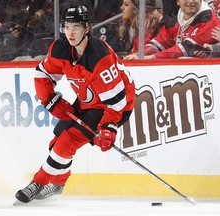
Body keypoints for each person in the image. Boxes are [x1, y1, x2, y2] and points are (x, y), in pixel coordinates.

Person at [15, 4, 135, 203]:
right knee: (57, 141)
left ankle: (38, 183)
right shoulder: (61, 49)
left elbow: (117, 101)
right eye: (67, 27)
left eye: (76, 27)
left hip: (114, 105)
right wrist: (51, 100)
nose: (70, 33)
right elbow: (42, 74)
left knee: (68, 141)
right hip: (88, 101)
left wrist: (109, 127)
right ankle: (59, 183)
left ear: (87, 28)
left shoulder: (99, 58)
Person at [125, 0, 220, 60]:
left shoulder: (208, 19)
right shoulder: (176, 20)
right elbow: (159, 43)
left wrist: (151, 57)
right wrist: (139, 54)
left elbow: (186, 48)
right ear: (177, 1)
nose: (191, 1)